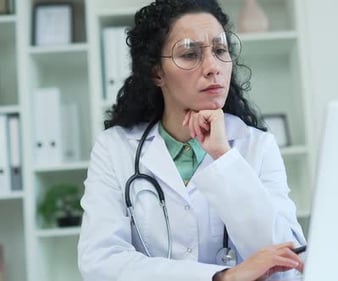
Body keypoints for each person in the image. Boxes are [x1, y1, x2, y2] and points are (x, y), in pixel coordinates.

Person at [77, 0, 306, 280]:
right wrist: (222, 277)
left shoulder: (256, 146)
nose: (213, 67)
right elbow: (100, 264)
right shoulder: (114, 148)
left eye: (220, 50)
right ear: (157, 73)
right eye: (190, 54)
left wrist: (224, 158)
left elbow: (288, 269)